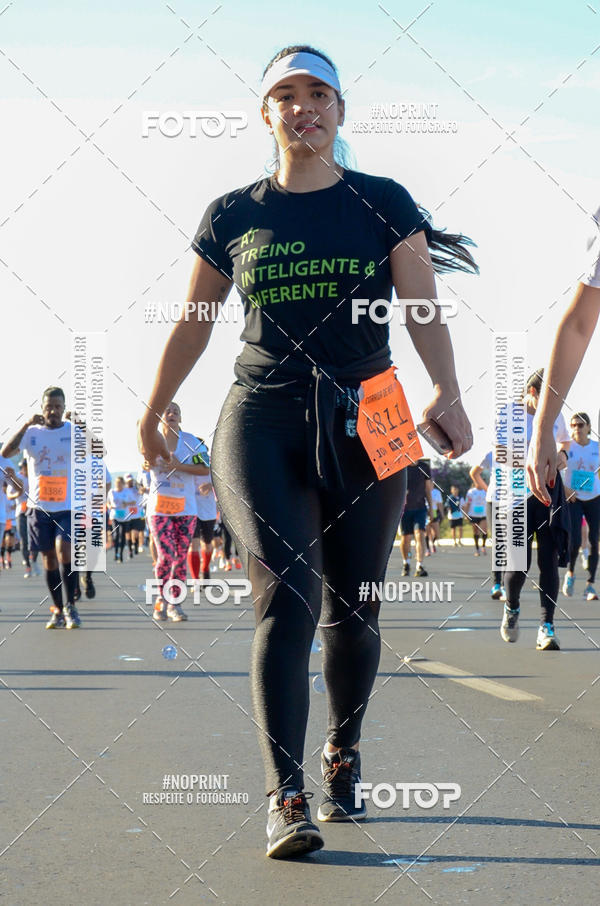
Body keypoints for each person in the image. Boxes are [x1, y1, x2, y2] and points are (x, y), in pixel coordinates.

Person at [138, 45, 476, 858]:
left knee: (353, 611)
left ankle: (343, 751)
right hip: (261, 417)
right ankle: (285, 796)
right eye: (285, 96)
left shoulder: (382, 203)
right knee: (284, 598)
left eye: (318, 93)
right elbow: (194, 319)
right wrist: (155, 408)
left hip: (373, 416)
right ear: (267, 114)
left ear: (340, 111)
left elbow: (423, 306)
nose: (303, 108)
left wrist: (449, 391)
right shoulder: (233, 213)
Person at [500, 370, 570, 650]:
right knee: (519, 566)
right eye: (546, 395)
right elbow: (500, 450)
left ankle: (546, 626)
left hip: (549, 495)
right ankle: (512, 607)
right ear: (532, 392)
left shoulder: (554, 415)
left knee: (549, 562)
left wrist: (562, 455)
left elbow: (564, 441)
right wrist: (534, 457)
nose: (551, 403)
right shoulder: (510, 413)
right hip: (518, 495)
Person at [1, 387, 81, 629]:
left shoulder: (72, 430)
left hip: (66, 506)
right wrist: (25, 424)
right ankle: (58, 608)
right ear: (42, 408)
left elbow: (99, 450)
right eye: (49, 407)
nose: (53, 411)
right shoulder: (32, 433)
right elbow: (5, 452)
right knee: (48, 558)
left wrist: (81, 425)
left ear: (63, 408)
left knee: (64, 550)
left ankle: (71, 607)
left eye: (57, 407)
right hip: (39, 508)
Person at [144, 402, 208, 621]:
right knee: (166, 555)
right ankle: (161, 599)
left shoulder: (191, 442)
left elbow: (206, 468)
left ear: (180, 418)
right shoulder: (152, 440)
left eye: (175, 412)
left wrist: (178, 466)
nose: (171, 414)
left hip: (186, 508)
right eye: (167, 411)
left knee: (180, 557)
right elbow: (144, 457)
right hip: (159, 508)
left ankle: (175, 604)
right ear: (161, 417)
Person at [561, 412, 600, 601]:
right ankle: (570, 573)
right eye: (573, 425)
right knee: (575, 540)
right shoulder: (567, 447)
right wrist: (566, 490)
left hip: (594, 497)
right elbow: (555, 470)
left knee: (594, 540)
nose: (577, 428)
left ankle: (590, 585)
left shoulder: (597, 447)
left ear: (588, 427)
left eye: (580, 425)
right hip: (574, 498)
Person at [470, 452, 503, 598]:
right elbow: (474, 473)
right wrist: (487, 488)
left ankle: (509, 583)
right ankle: (497, 583)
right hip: (494, 500)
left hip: (516, 499)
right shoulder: (490, 453)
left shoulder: (521, 448)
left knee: (515, 543)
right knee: (498, 542)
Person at [188, 439, 216, 583]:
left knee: (208, 544)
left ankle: (205, 568)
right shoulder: (187, 464)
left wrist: (210, 485)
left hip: (209, 510)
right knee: (193, 544)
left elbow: (222, 484)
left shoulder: (213, 465)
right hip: (191, 510)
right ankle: (195, 579)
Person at [399, 458, 433, 577]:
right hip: (404, 509)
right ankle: (406, 563)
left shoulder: (424, 467)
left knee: (420, 534)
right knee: (406, 538)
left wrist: (431, 509)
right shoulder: (402, 466)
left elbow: (428, 489)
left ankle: (419, 565)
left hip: (420, 508)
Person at [107, 476, 128, 563]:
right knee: (116, 535)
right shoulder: (111, 492)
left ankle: (121, 555)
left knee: (122, 535)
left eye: (120, 483)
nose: (118, 484)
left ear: (123, 484)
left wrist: (126, 503)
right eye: (117, 483)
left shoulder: (126, 492)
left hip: (124, 516)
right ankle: (116, 553)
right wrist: (109, 506)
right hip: (115, 515)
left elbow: (133, 502)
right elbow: (107, 502)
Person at [464, 481, 487, 556]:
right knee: (476, 532)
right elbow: (468, 503)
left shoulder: (485, 491)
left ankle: (483, 546)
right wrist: (466, 514)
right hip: (473, 514)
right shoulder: (471, 492)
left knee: (484, 531)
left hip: (483, 514)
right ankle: (477, 549)